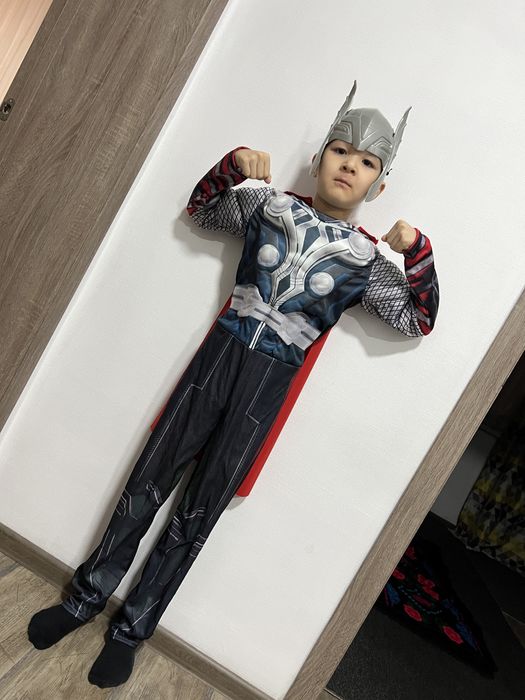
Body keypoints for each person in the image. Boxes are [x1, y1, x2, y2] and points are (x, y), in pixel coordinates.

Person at [26, 80, 439, 688]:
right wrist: (234, 164)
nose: (350, 165)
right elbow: (201, 208)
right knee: (147, 483)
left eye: (367, 162)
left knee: (198, 514)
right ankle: (84, 599)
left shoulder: (367, 260)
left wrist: (419, 252)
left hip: (267, 386)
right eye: (340, 150)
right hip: (217, 361)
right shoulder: (268, 207)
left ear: (378, 186)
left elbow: (417, 319)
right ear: (319, 156)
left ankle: (131, 631)